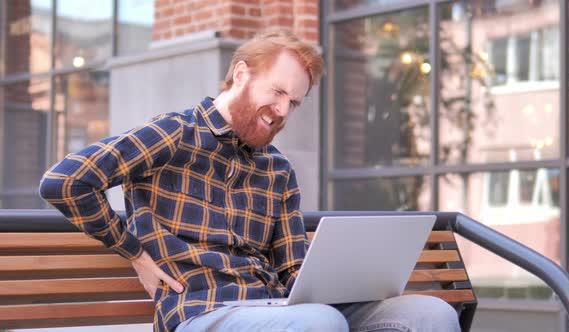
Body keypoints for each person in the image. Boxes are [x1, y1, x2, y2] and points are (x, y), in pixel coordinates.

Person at [39, 30, 460, 332]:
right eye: (277, 92)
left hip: (278, 308)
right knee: (319, 323)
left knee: (430, 314)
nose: (281, 110)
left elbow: (293, 268)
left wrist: (352, 279)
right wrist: (134, 252)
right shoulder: (174, 133)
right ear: (241, 74)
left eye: (293, 102)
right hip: (200, 310)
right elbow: (66, 181)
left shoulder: (277, 170)